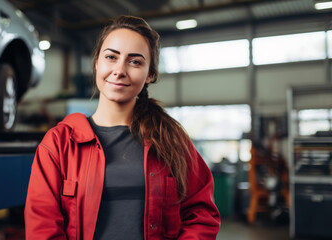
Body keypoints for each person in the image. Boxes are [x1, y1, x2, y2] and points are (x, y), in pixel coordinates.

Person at [24, 15, 220, 240]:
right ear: (97, 63)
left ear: (150, 74)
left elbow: (201, 214)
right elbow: (42, 228)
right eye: (111, 57)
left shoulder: (170, 139)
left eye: (135, 61)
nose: (119, 70)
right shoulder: (59, 144)